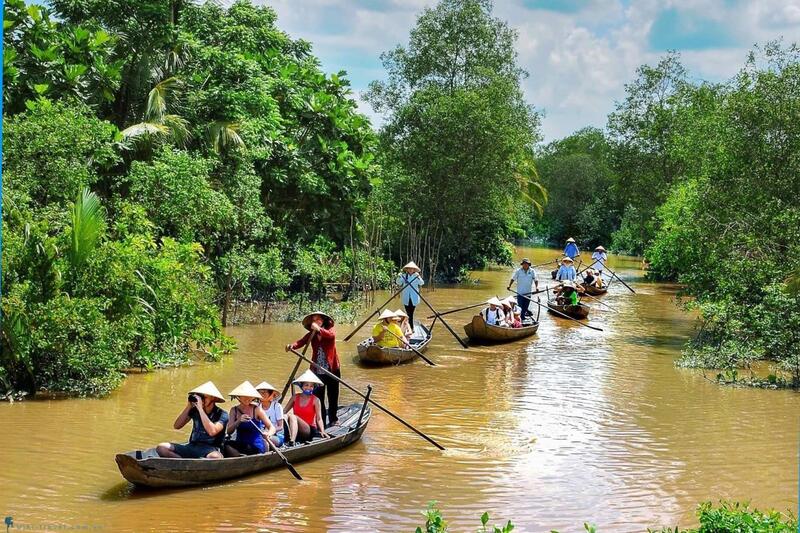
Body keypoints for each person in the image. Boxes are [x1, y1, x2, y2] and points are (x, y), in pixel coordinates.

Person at [285, 311, 341, 427]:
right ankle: (322, 422)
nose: (316, 322)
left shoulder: (329, 330)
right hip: (317, 370)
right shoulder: (312, 334)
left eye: (318, 320)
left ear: (323, 321)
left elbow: (331, 336)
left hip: (332, 370)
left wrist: (319, 329)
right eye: (314, 320)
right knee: (319, 398)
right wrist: (292, 346)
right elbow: (301, 342)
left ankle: (333, 419)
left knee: (333, 396)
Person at [156, 381, 229, 459]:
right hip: (192, 446)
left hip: (211, 449)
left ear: (213, 398)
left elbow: (212, 432)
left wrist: (200, 409)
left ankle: (194, 464)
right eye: (200, 397)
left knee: (215, 457)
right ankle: (184, 463)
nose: (202, 400)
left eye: (204, 397)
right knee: (162, 447)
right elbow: (177, 426)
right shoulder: (194, 411)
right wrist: (189, 406)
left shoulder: (222, 414)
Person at [224, 381, 276, 457]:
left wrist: (268, 434)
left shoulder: (257, 409)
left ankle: (240, 457)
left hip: (255, 446)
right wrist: (238, 421)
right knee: (225, 444)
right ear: (239, 397)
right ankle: (239, 457)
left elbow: (272, 427)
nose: (248, 399)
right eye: (245, 396)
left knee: (248, 448)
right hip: (240, 444)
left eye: (250, 396)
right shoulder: (234, 410)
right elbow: (229, 431)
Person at [285, 370, 330, 445]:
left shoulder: (316, 400)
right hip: (295, 428)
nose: (308, 387)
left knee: (293, 417)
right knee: (286, 416)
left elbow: (319, 418)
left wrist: (322, 431)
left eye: (311, 386)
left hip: (309, 430)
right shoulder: (295, 397)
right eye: (306, 385)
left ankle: (292, 441)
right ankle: (289, 437)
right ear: (302, 386)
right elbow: (284, 411)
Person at [255, 381, 285, 447]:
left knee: (263, 439)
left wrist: (268, 433)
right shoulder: (256, 407)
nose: (262, 394)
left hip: (276, 435)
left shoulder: (276, 406)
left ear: (271, 394)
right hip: (261, 434)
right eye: (260, 392)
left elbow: (280, 426)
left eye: (265, 392)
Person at [396, 261, 425, 328]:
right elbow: (398, 283)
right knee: (408, 312)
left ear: (414, 270)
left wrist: (418, 277)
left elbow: (422, 283)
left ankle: (410, 327)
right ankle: (409, 326)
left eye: (412, 269)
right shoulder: (403, 276)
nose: (410, 270)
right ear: (407, 269)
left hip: (414, 297)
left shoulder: (416, 276)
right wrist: (399, 277)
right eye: (409, 268)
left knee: (410, 313)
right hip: (406, 297)